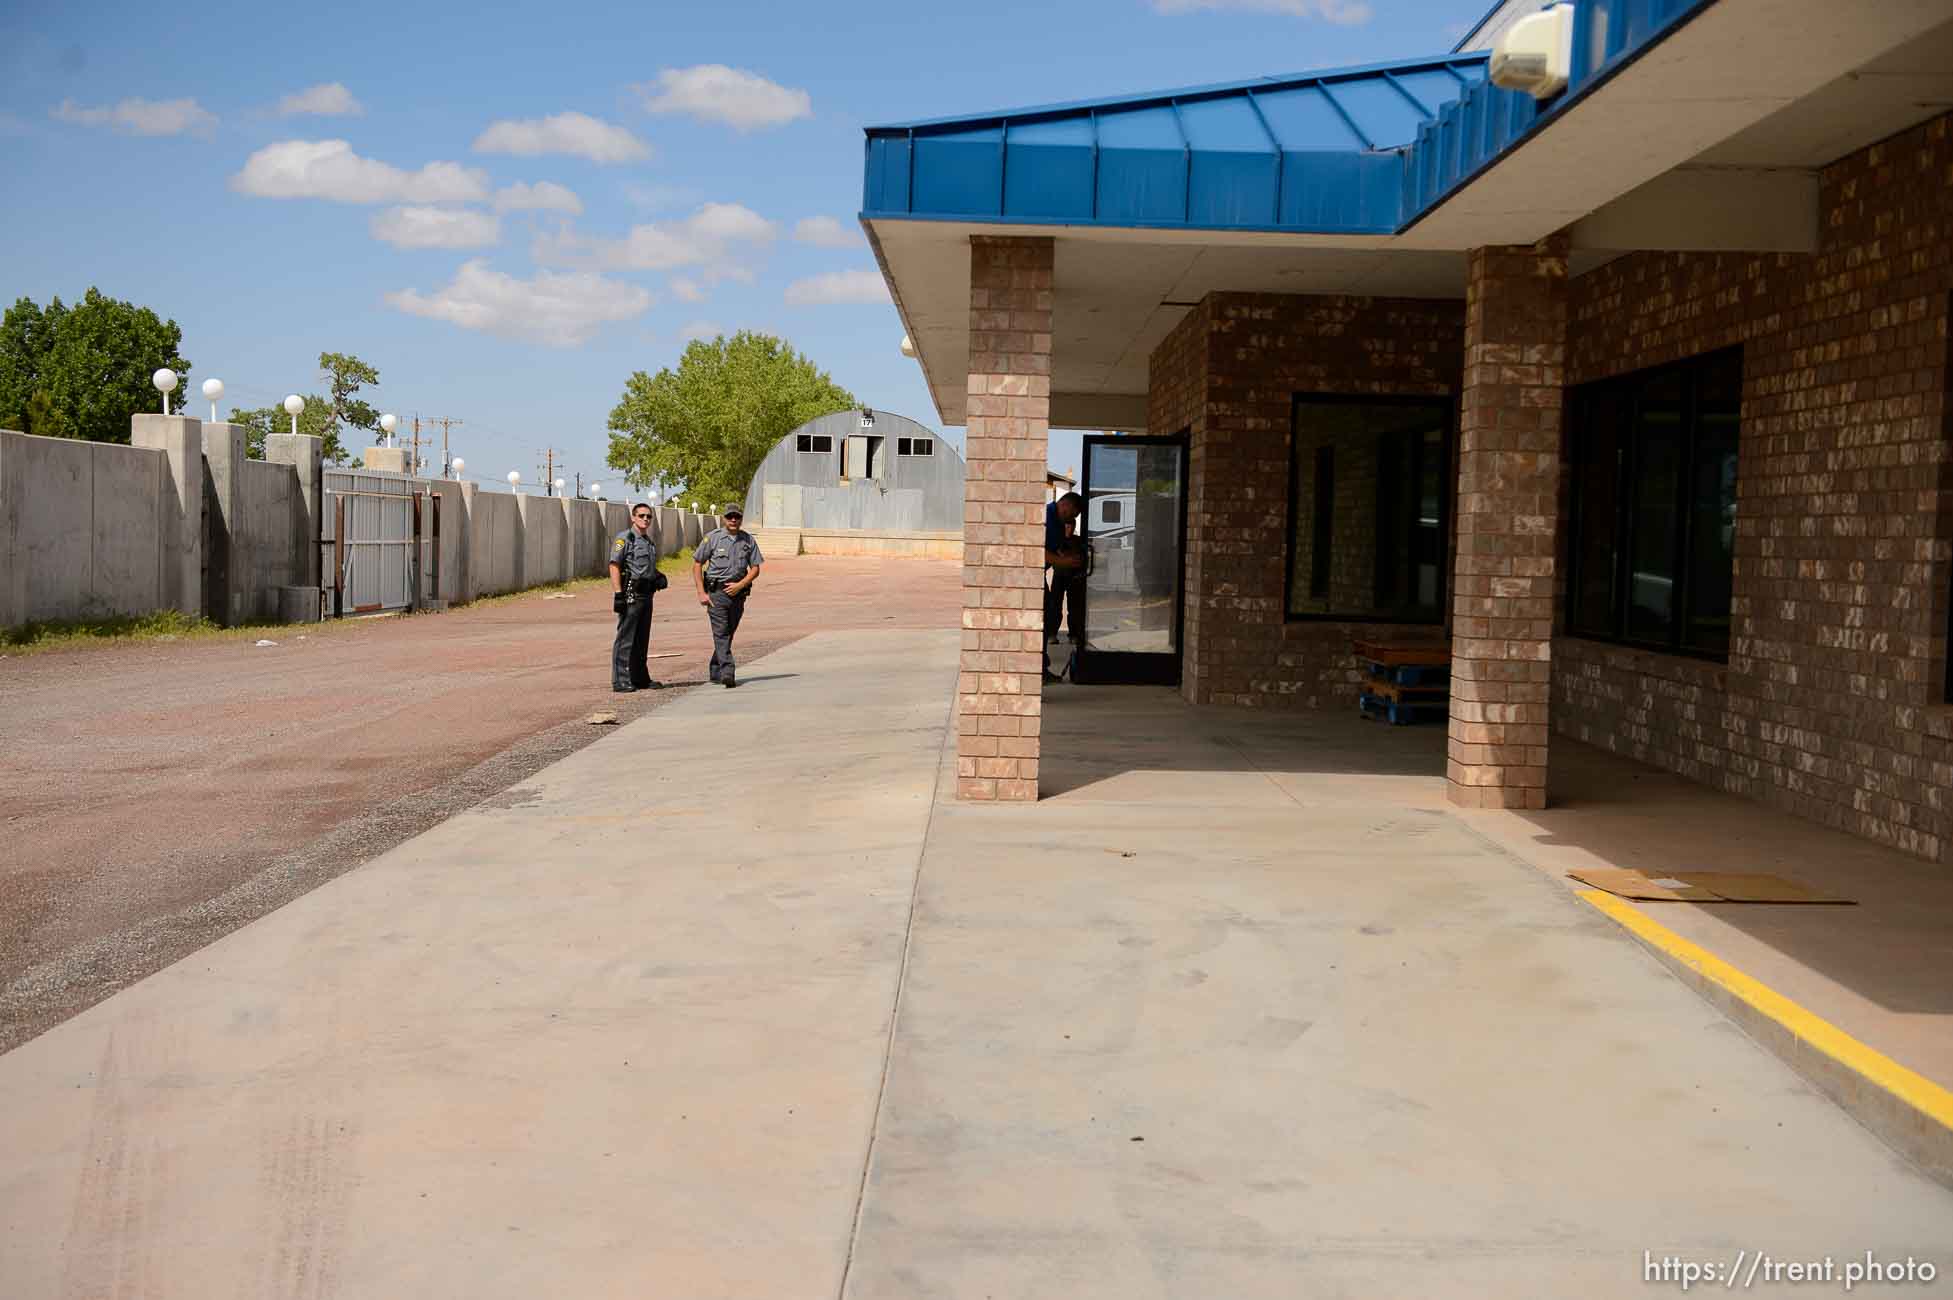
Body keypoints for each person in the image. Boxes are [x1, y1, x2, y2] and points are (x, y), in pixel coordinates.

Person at [693, 506, 763, 688]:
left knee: (728, 632)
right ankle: (728, 671)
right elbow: (697, 564)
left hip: (738, 594)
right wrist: (701, 592)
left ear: (741, 519)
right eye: (730, 517)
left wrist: (740, 585)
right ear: (724, 519)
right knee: (721, 632)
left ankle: (716, 670)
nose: (733, 520)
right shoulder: (713, 538)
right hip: (717, 593)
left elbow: (755, 568)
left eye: (737, 517)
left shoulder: (747, 540)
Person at [608, 502, 665, 692]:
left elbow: (644, 568)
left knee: (642, 638)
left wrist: (657, 576)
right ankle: (620, 680)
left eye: (648, 516)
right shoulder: (625, 538)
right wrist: (618, 594)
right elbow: (614, 565)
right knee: (626, 639)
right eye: (641, 516)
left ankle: (639, 677)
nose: (645, 519)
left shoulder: (648, 541)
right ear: (633, 517)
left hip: (647, 594)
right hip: (631, 594)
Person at [1044, 491, 1086, 681]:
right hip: (1029, 573)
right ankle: (1039, 669)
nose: (1072, 520)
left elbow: (1055, 549)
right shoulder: (1046, 517)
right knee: (1048, 614)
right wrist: (1065, 563)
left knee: (1049, 614)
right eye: (1072, 514)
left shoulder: (1059, 523)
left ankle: (1040, 669)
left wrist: (1067, 558)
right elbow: (1036, 550)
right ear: (1065, 505)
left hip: (1040, 573)